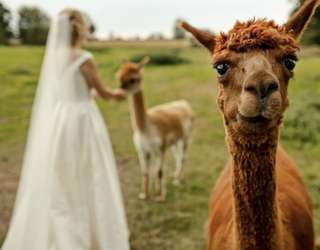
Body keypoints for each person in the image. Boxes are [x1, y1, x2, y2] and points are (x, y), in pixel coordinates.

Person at [1, 9, 130, 250]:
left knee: (62, 173)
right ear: (80, 29)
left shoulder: (55, 57)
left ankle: (61, 226)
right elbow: (102, 92)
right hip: (82, 120)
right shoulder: (84, 58)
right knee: (88, 170)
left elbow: (72, 89)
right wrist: (117, 94)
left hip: (61, 120)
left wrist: (90, 93)